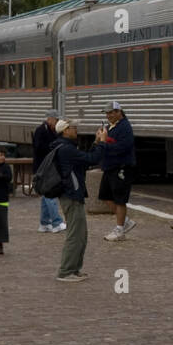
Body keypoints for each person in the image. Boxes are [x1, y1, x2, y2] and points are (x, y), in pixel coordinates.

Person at [52, 119, 104, 281]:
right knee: (75, 235)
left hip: (73, 194)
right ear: (65, 131)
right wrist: (101, 143)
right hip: (71, 194)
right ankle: (66, 271)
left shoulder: (64, 147)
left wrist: (95, 142)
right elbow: (92, 160)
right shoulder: (66, 149)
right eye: (74, 128)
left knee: (81, 234)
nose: (76, 130)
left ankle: (74, 269)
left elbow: (84, 160)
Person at [97, 101, 137, 241]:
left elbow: (123, 147)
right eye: (107, 113)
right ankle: (125, 221)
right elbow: (105, 144)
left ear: (119, 112)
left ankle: (120, 230)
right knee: (105, 196)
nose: (108, 116)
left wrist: (104, 142)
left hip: (121, 167)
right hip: (110, 167)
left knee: (120, 199)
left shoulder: (125, 127)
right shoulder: (110, 127)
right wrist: (99, 140)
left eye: (111, 113)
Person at [33, 113, 66, 233]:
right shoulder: (40, 130)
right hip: (43, 167)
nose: (56, 123)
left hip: (47, 166)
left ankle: (44, 223)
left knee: (45, 196)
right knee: (49, 194)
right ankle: (57, 222)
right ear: (49, 119)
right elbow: (38, 147)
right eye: (56, 120)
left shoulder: (52, 131)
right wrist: (52, 148)